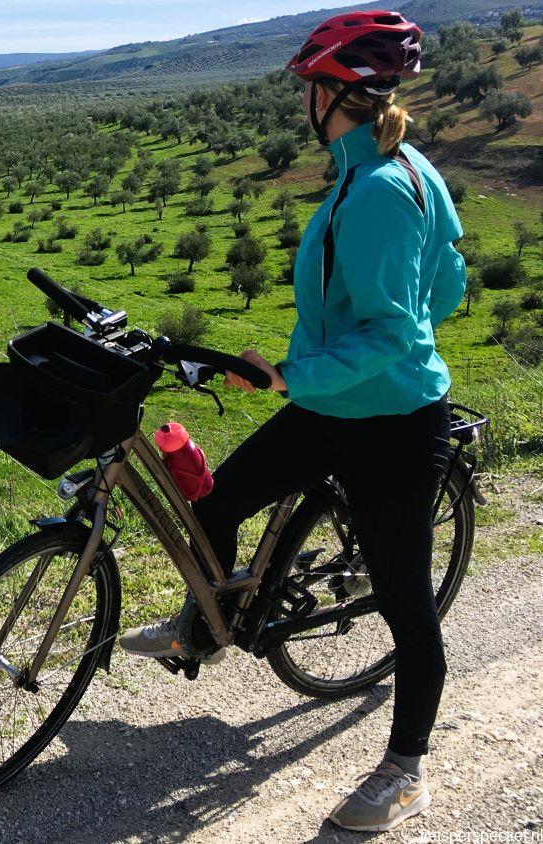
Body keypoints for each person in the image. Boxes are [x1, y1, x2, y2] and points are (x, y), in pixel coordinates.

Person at [118, 9, 466, 834]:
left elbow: (398, 330)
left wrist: (296, 373)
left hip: (389, 422)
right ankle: (206, 629)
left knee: (405, 603)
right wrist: (319, 371)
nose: (301, 102)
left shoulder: (379, 186)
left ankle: (406, 771)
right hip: (329, 404)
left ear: (331, 93)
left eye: (307, 88)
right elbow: (447, 282)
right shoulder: (381, 166)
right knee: (213, 504)